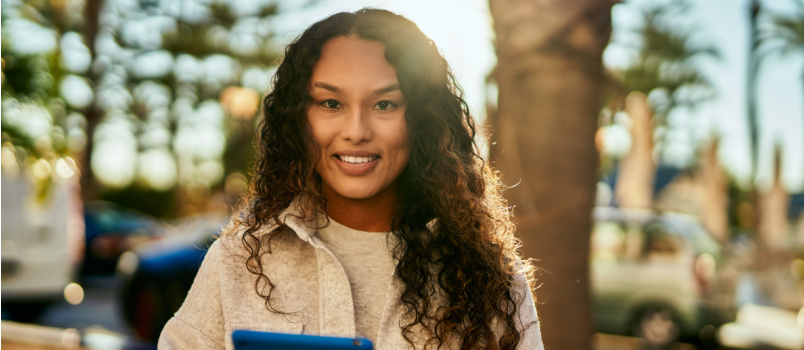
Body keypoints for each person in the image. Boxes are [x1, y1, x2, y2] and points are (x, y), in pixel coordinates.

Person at [158, 8, 543, 350]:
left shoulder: (491, 279)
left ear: (421, 121)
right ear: (300, 118)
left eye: (385, 104)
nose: (356, 130)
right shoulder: (240, 258)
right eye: (331, 103)